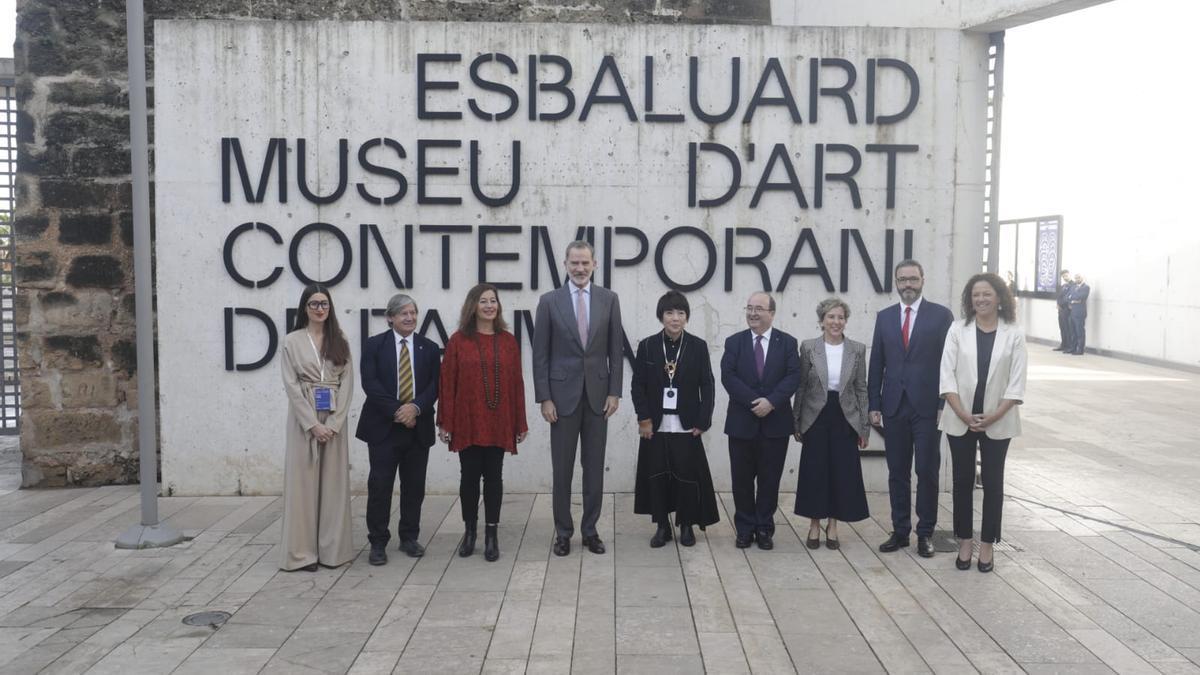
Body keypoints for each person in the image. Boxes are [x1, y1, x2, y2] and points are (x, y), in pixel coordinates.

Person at [532, 241, 624, 557]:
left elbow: (615, 350)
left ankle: (590, 530)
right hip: (561, 398)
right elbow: (540, 355)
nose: (580, 269)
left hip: (598, 397)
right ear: (565, 263)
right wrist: (544, 397)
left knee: (594, 467)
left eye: (585, 263)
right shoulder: (549, 302)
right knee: (562, 468)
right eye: (575, 263)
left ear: (594, 264)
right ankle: (563, 532)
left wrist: (615, 391)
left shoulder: (609, 300)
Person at [939, 273, 1027, 572]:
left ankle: (987, 544)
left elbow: (1017, 383)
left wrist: (995, 415)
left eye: (987, 294)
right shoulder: (957, 329)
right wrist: (963, 413)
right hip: (960, 417)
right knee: (962, 482)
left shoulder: (1013, 333)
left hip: (998, 420)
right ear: (969, 299)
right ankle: (964, 541)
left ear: (999, 297)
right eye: (975, 294)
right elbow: (946, 375)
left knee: (993, 483)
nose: (981, 299)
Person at [868, 259, 955, 558]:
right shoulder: (885, 317)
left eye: (913, 279)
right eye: (902, 279)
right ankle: (900, 530)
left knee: (927, 471)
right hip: (894, 406)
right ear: (895, 282)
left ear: (923, 280)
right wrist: (874, 403)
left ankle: (926, 533)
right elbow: (876, 362)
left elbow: (949, 364)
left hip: (929, 408)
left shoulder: (942, 316)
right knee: (897, 472)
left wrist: (946, 403)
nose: (908, 284)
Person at [437, 284, 528, 562]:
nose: (489, 306)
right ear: (473, 306)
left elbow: (516, 384)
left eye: (493, 301)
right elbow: (447, 383)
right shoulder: (457, 341)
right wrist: (445, 422)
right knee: (468, 478)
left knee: (494, 478)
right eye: (483, 301)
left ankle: (491, 534)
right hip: (467, 419)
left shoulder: (509, 341)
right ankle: (470, 532)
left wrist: (520, 422)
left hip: (499, 420)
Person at [356, 293, 441, 566]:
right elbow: (371, 384)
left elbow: (434, 386)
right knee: (380, 486)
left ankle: (409, 537)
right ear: (390, 317)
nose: (410, 318)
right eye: (403, 313)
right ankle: (378, 541)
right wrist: (398, 411)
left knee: (414, 487)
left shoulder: (428, 347)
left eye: (413, 313)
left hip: (418, 427)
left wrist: (414, 408)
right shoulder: (374, 346)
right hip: (384, 428)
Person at [631, 291, 720, 548]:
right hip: (655, 424)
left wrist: (703, 420)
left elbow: (708, 384)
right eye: (670, 313)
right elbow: (638, 386)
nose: (675, 318)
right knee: (658, 474)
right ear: (661, 316)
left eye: (681, 313)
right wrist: (644, 419)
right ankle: (662, 526)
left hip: (687, 422)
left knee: (686, 475)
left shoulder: (698, 346)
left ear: (687, 317)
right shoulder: (647, 345)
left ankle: (687, 525)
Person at [279, 284, 355, 572]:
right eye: (314, 304)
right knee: (303, 485)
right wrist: (312, 424)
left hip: (334, 416)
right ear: (305, 308)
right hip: (304, 419)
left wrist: (333, 425)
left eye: (324, 303)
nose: (320, 308)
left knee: (334, 486)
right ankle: (302, 553)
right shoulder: (292, 341)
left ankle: (332, 550)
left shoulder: (340, 340)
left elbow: (348, 383)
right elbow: (291, 385)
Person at [720, 291, 801, 550]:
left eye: (759, 309)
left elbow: (793, 377)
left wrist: (772, 402)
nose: (753, 313)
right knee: (741, 480)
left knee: (769, 480)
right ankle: (744, 529)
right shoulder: (734, 342)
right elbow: (728, 376)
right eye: (749, 307)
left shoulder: (787, 343)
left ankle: (764, 528)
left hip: (775, 424)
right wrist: (755, 401)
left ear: (772, 314)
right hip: (742, 423)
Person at [792, 298, 870, 551]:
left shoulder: (857, 349)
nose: (836, 322)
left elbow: (861, 389)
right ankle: (814, 524)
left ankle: (833, 525)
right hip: (816, 416)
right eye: (831, 317)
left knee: (841, 472)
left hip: (845, 417)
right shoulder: (808, 347)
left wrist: (864, 427)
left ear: (845, 321)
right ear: (822, 321)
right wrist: (797, 422)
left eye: (840, 317)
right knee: (815, 472)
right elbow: (801, 386)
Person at [1067, 273, 1090, 355]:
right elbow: (1068, 297)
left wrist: (1073, 298)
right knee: (1073, 332)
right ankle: (1073, 348)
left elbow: (1082, 297)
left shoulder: (1086, 287)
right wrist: (1074, 300)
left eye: (1078, 277)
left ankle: (1080, 350)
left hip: (1080, 313)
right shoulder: (1073, 287)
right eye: (1076, 278)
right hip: (1072, 312)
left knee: (1080, 332)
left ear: (1082, 278)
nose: (1077, 279)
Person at [1053, 270, 1075, 351]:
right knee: (1062, 328)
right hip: (1061, 310)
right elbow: (1059, 296)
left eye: (1066, 275)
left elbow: (1068, 297)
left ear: (1069, 275)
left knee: (1068, 328)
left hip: (1067, 309)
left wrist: (1061, 304)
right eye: (1063, 276)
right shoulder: (1063, 286)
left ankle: (1069, 346)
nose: (1065, 277)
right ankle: (1063, 344)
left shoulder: (1073, 285)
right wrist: (1058, 304)